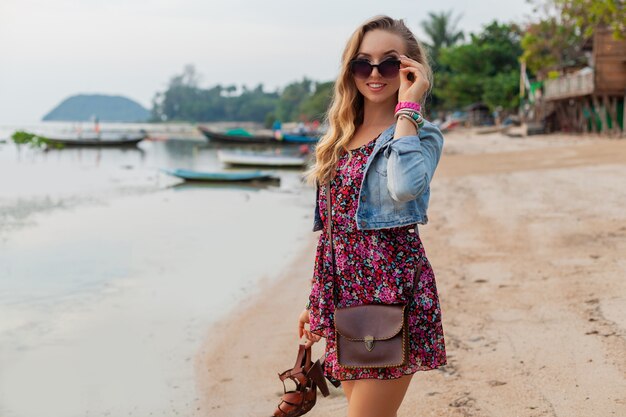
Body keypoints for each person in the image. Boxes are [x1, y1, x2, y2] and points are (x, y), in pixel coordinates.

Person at [298, 15, 447, 417]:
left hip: (394, 296)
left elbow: (403, 187)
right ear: (351, 70)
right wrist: (315, 302)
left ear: (410, 70)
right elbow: (333, 231)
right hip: (343, 295)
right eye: (364, 63)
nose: (375, 73)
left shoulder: (421, 135)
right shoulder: (339, 138)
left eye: (390, 63)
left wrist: (408, 110)